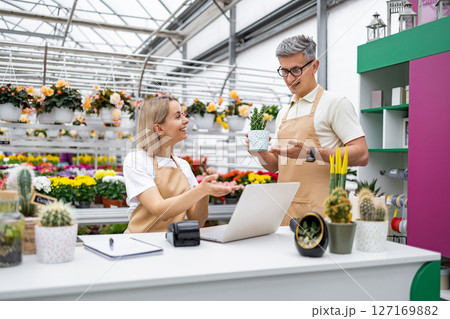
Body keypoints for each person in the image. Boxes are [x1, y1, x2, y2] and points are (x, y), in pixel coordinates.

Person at [246, 35, 369, 225]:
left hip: (322, 214)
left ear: (314, 66)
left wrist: (311, 153)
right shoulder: (284, 112)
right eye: (284, 71)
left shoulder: (335, 103)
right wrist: (259, 152)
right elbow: (277, 165)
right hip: (285, 212)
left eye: (296, 70)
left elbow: (361, 155)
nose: (289, 79)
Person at [123, 94, 240, 233]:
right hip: (139, 245)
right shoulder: (137, 160)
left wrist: (205, 192)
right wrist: (200, 190)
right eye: (178, 116)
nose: (186, 121)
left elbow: (197, 221)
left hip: (171, 243)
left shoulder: (183, 165)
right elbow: (160, 210)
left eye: (183, 115)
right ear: (159, 129)